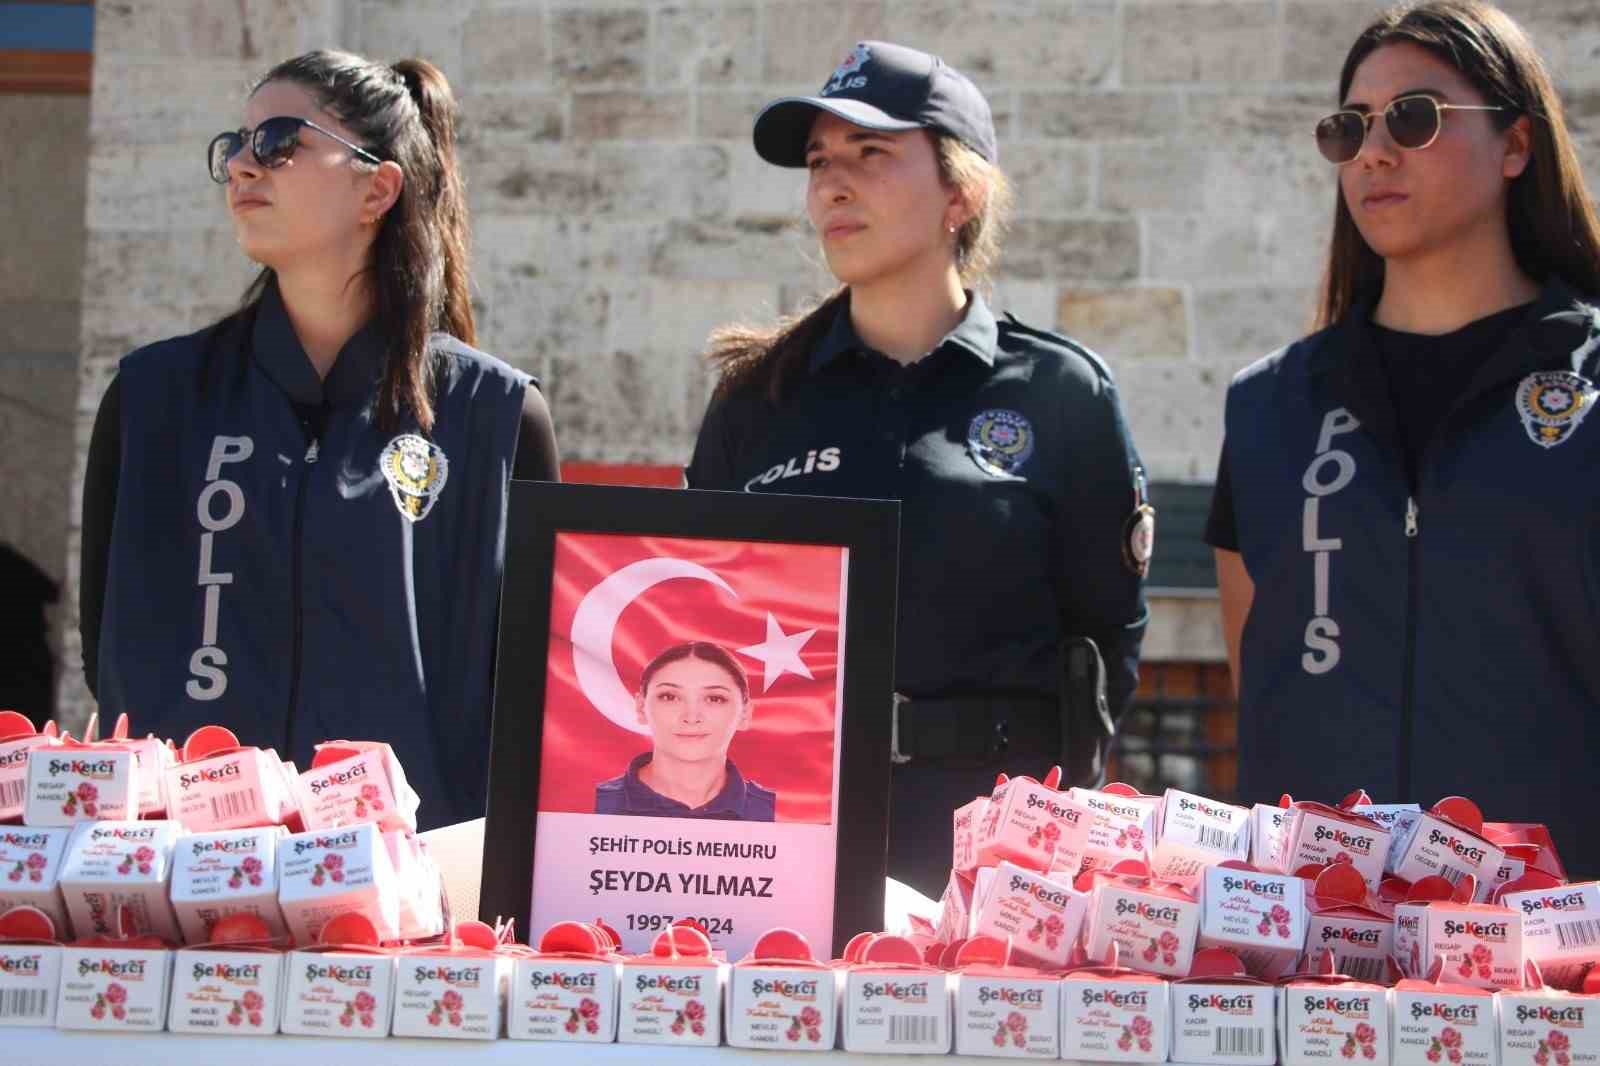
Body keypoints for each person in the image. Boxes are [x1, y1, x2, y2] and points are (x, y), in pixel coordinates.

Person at [685, 42, 1150, 895]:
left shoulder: (1061, 391)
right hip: (783, 832)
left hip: (991, 848)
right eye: (821, 161)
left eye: (870, 155)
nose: (832, 183)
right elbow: (697, 612)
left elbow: (1105, 638)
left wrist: (1048, 832)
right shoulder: (756, 400)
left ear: (960, 195)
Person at [78, 50, 559, 830]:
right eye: (234, 144)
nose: (241, 165)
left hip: (409, 902)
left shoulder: (494, 416)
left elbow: (529, 689)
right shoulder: (152, 399)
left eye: (277, 141)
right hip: (187, 887)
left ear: (378, 187)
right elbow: (109, 642)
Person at [1207, 1, 1600, 869]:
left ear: (1517, 145)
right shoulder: (1270, 407)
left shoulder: (1590, 386)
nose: (1375, 152)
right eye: (1350, 128)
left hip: (1557, 960)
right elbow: (1262, 684)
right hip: (1319, 961)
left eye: (1415, 118)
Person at [595, 641, 776, 820]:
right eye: (669, 697)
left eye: (714, 699)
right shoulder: (595, 805)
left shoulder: (775, 812)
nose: (691, 717)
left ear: (745, 714)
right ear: (641, 708)